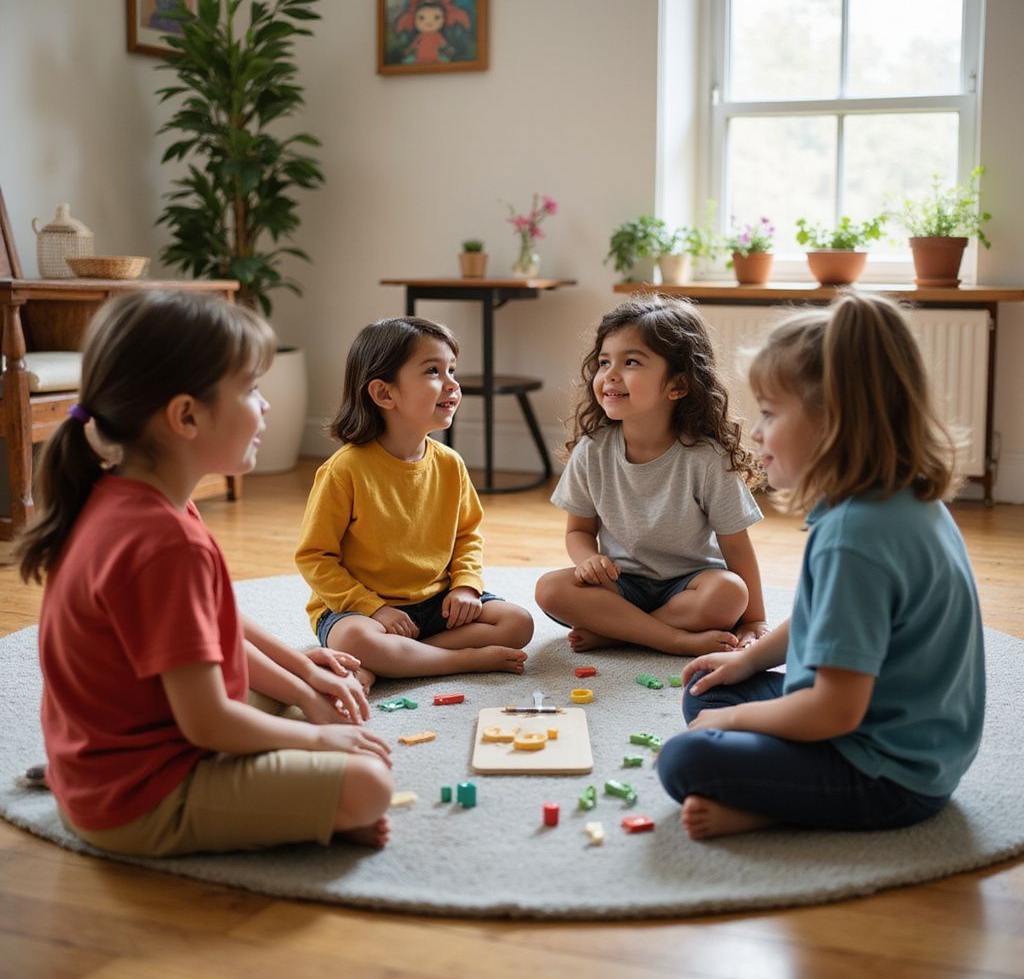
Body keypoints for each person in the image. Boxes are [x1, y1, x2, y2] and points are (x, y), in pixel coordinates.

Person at [16, 291, 394, 857]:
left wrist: (303, 678)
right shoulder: (164, 542)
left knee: (310, 692)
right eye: (250, 389)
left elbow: (211, 628)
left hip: (113, 755)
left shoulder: (135, 496)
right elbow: (210, 723)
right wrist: (321, 741)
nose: (264, 406)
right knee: (367, 784)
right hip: (137, 800)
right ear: (186, 416)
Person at [656, 292, 985, 840]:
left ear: (834, 421)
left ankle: (778, 809)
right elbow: (822, 618)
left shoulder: (856, 539)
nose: (755, 433)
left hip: (888, 774)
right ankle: (779, 785)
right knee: (707, 689)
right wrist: (747, 660)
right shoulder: (897, 499)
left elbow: (834, 712)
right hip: (917, 741)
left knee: (686, 758)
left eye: (768, 412)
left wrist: (734, 720)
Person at [295, 316, 533, 680]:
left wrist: (466, 586)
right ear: (384, 393)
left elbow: (467, 535)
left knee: (518, 623)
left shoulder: (450, 464)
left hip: (437, 604)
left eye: (452, 369)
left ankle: (397, 661)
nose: (452, 384)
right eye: (433, 371)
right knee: (357, 639)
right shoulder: (344, 471)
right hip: (363, 611)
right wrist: (373, 609)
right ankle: (458, 660)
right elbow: (315, 558)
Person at [535, 296, 768, 656]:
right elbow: (578, 532)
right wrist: (587, 560)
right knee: (550, 590)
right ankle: (671, 638)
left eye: (630, 362)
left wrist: (754, 620)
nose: (610, 374)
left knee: (730, 593)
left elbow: (736, 547)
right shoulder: (592, 450)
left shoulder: (706, 458)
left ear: (677, 385)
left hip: (689, 586)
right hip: (619, 583)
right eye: (603, 362)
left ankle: (619, 631)